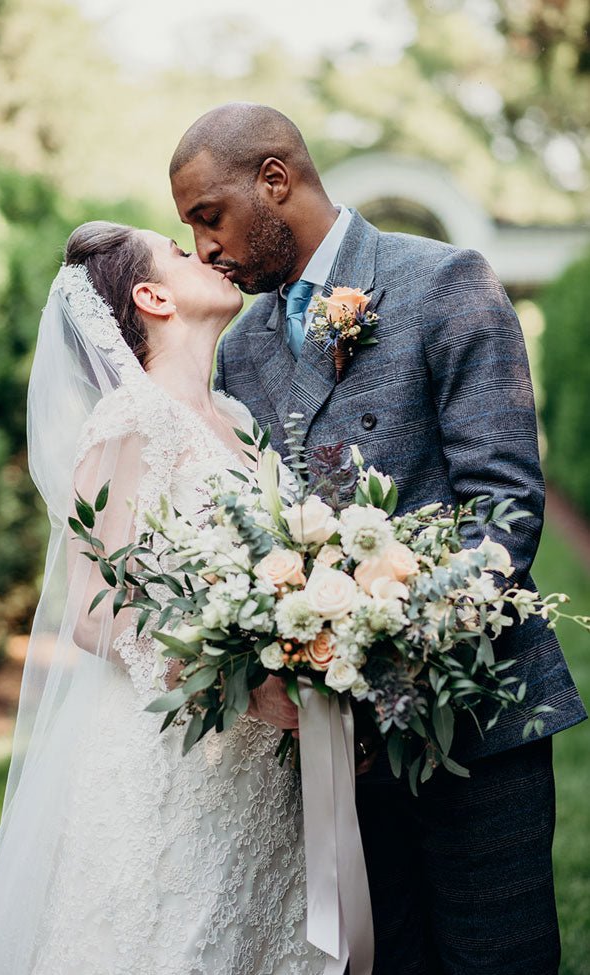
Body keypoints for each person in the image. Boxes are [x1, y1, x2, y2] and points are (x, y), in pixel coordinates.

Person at [170, 102, 587, 975]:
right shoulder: (242, 349)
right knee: (381, 956)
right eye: (191, 230)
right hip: (337, 744)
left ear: (274, 180)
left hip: (481, 718)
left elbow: (504, 509)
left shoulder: (446, 281)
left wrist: (395, 640)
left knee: (495, 955)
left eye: (210, 216)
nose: (204, 248)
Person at [0, 221, 327, 975]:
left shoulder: (242, 427)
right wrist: (237, 682)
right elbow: (90, 609)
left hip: (262, 766)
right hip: (173, 753)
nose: (206, 253)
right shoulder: (129, 422)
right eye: (181, 253)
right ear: (151, 296)